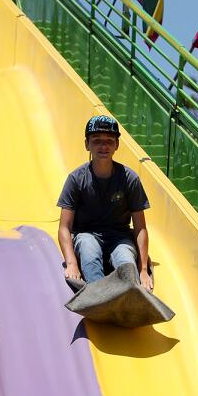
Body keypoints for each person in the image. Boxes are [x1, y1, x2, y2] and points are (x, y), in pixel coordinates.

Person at [58, 115, 153, 291]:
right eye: (97, 141)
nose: (103, 146)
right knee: (88, 252)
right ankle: (100, 294)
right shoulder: (76, 179)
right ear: (87, 144)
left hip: (119, 236)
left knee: (125, 261)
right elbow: (65, 226)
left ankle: (128, 292)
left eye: (109, 141)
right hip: (87, 233)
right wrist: (71, 263)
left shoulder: (129, 179)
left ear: (117, 145)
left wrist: (143, 269)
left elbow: (140, 227)